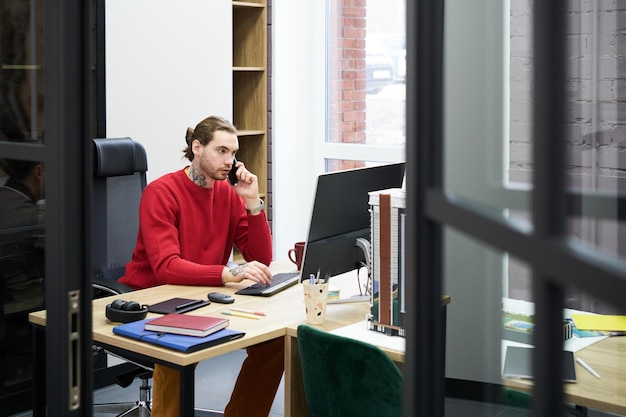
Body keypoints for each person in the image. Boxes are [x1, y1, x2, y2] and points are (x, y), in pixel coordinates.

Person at [119, 115, 283, 417]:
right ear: (197, 147)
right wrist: (229, 273)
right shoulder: (161, 192)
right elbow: (167, 267)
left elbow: (261, 257)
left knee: (276, 343)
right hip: (156, 298)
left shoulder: (228, 194)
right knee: (177, 350)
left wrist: (252, 202)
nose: (230, 161)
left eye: (233, 153)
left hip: (205, 295)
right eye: (222, 151)